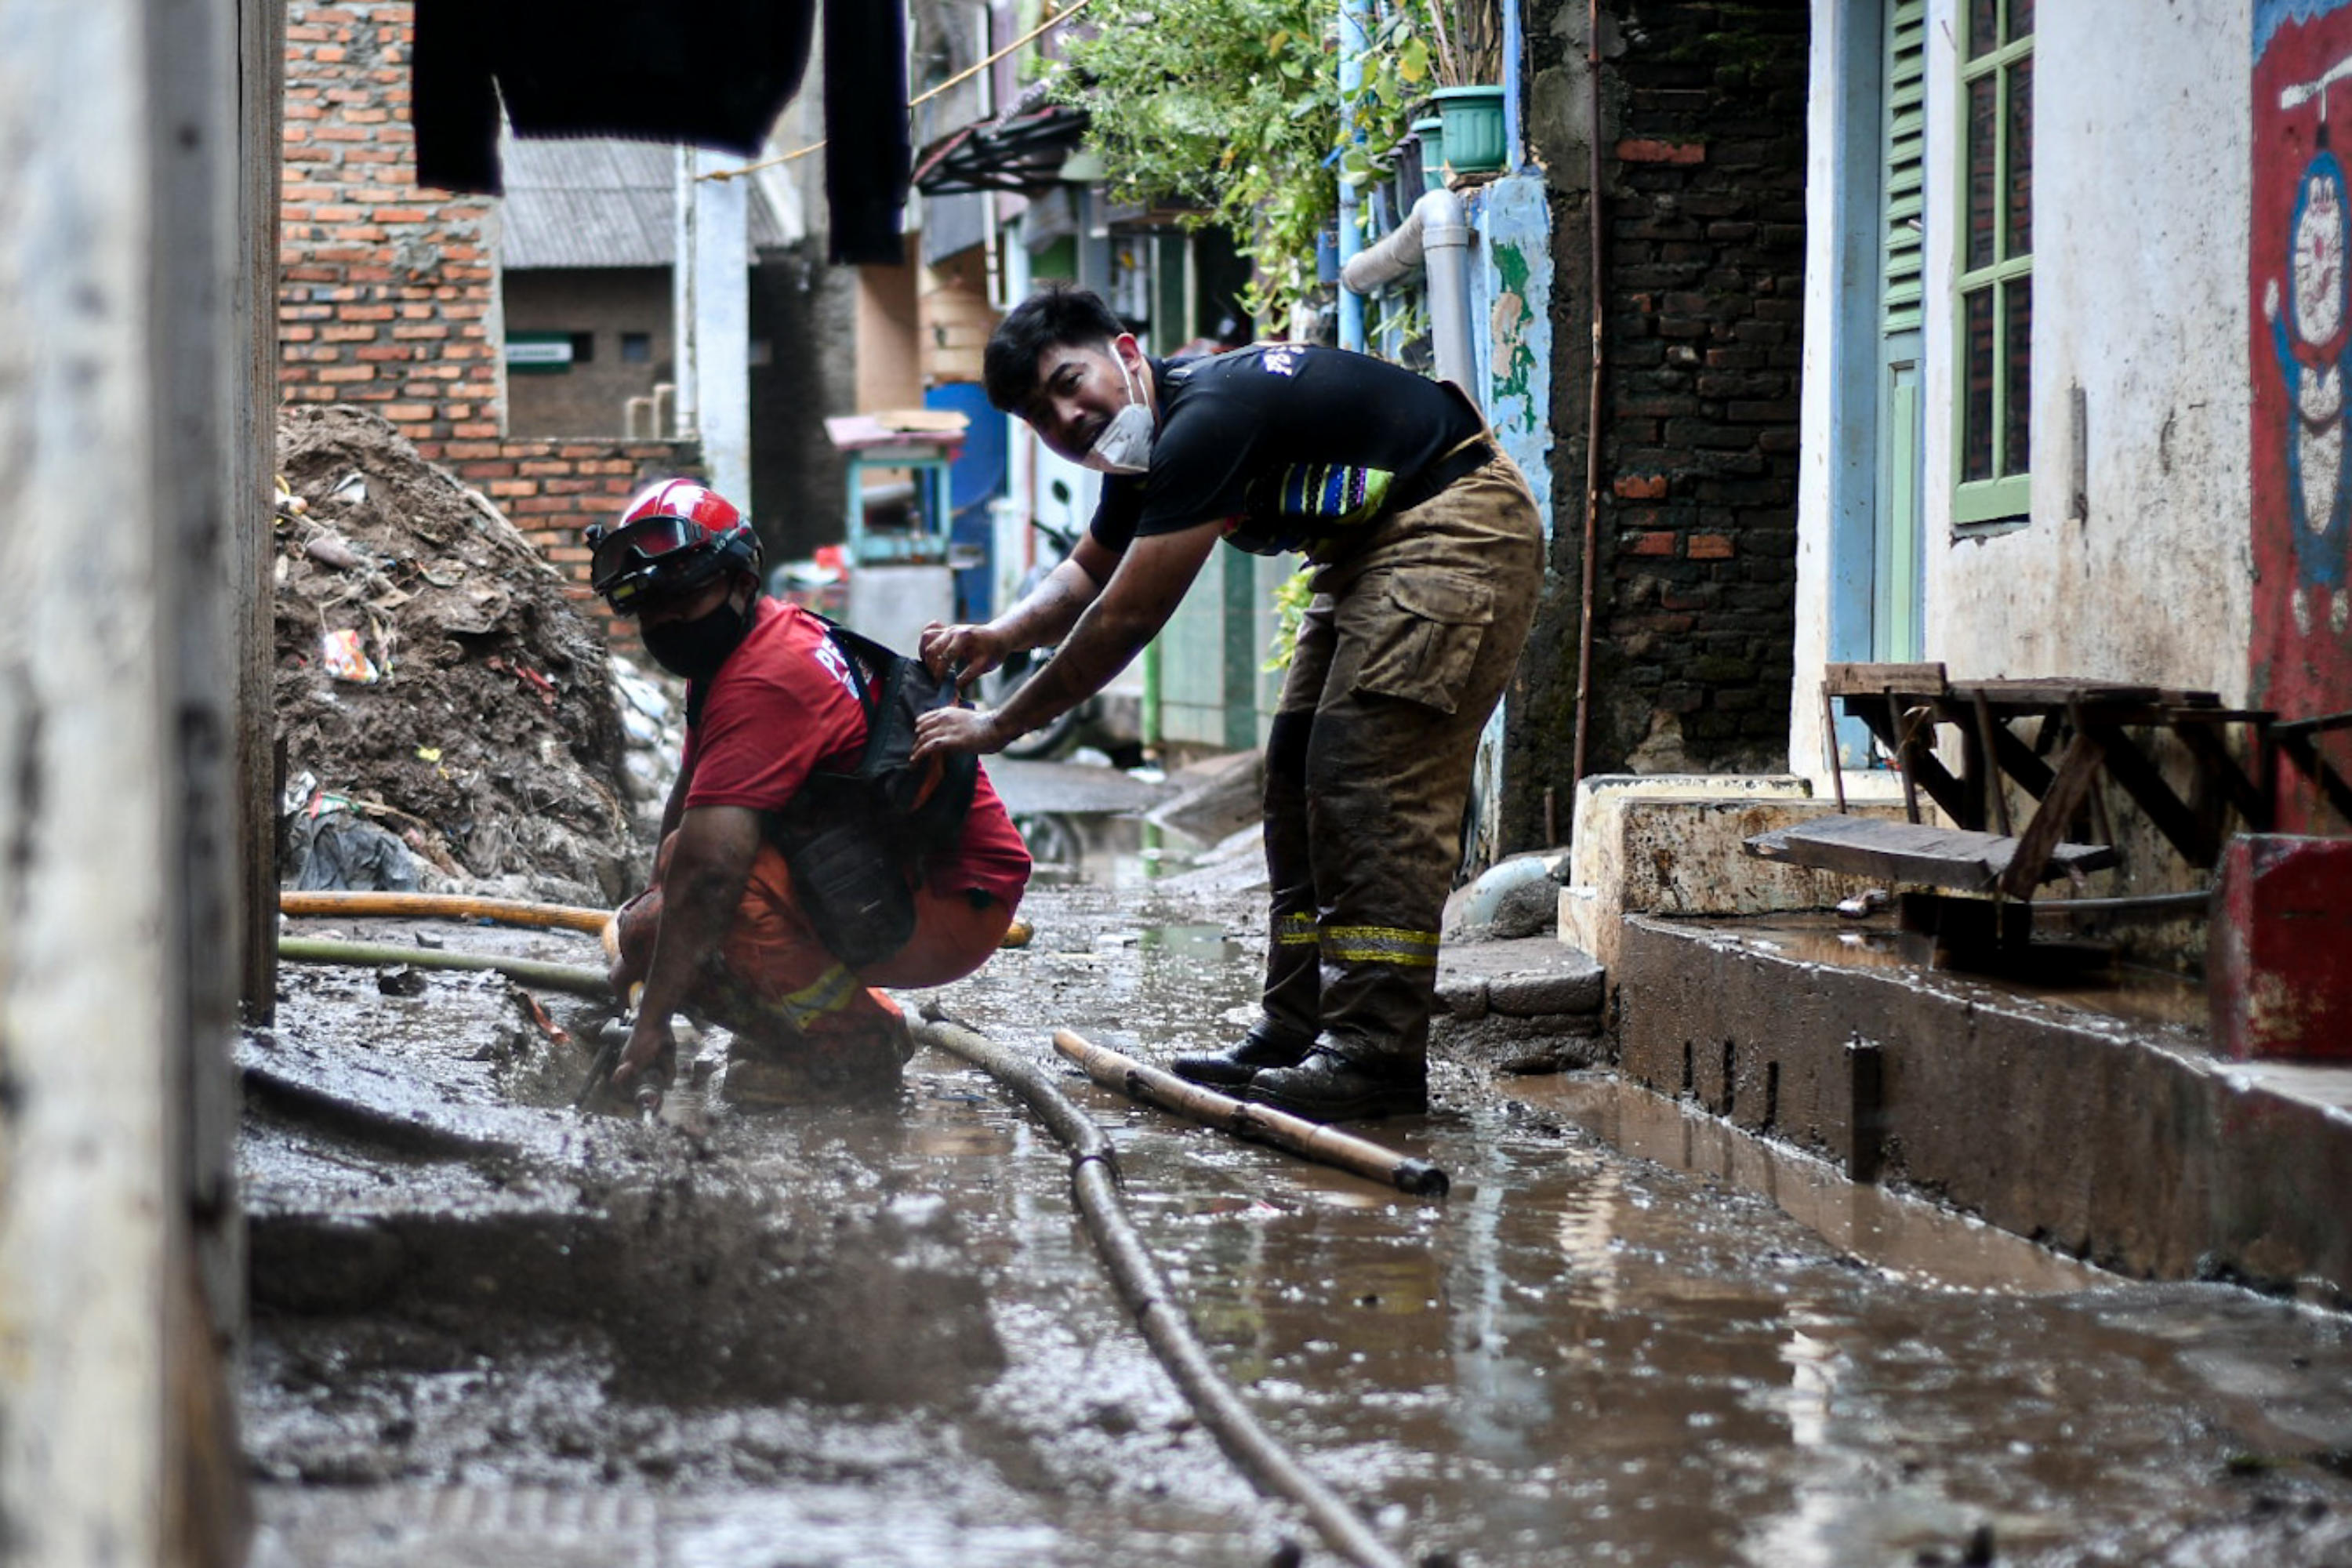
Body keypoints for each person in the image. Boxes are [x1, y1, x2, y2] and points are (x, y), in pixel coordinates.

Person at [912, 284, 1541, 1120]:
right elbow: (1087, 572)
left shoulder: (1207, 418)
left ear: (1125, 353)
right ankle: (1297, 1030)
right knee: (1295, 785)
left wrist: (1000, 723)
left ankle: (1374, 1054)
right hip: (1366, 555)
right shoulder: (1152, 444)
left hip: (1452, 527)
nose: (1065, 418)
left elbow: (1125, 615)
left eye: (1068, 383)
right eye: (1039, 415)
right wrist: (998, 635)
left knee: (1369, 787)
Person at [590, 479, 1032, 1108]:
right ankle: (829, 1020)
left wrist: (653, 1020)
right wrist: (648, 942)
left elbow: (711, 875)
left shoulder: (767, 676)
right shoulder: (733, 654)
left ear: (742, 582)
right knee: (660, 913)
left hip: (949, 897)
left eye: (683, 598)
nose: (666, 622)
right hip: (880, 867)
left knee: (714, 896)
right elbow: (688, 810)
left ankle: (854, 1044)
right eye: (649, 606)